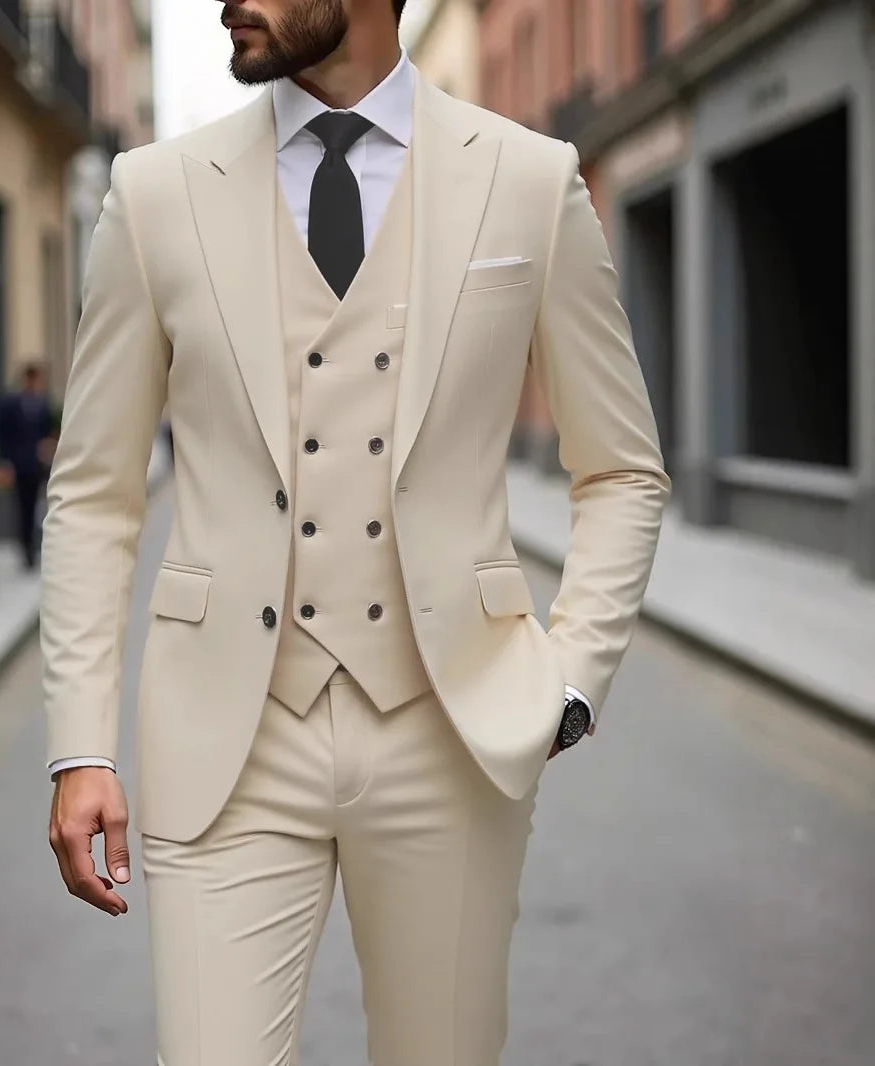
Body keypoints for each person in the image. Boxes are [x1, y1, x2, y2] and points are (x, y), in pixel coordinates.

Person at [40, 2, 671, 1063]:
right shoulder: (153, 195)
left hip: (452, 731)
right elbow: (94, 493)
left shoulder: (527, 179)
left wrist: (568, 680)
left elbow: (620, 468)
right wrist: (80, 745)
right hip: (223, 736)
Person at [0, 360, 53, 569]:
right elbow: (2, 437)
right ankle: (26, 550)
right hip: (18, 466)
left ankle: (35, 546)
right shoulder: (9, 404)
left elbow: (47, 432)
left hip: (37, 466)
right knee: (22, 508)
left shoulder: (43, 404)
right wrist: (4, 463)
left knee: (38, 506)